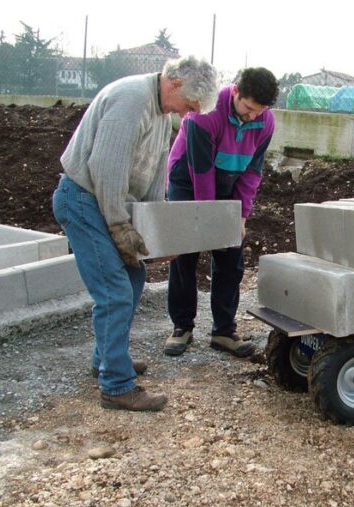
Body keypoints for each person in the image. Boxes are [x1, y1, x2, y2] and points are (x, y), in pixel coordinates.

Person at [52, 57, 218, 411]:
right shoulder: (131, 99)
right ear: (174, 83)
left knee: (133, 279)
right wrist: (118, 225)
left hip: (106, 204)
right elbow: (105, 168)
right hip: (85, 201)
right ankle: (116, 385)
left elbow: (155, 178)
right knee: (114, 292)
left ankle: (106, 361)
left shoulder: (161, 114)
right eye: (190, 105)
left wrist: (156, 233)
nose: (189, 113)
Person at [164, 67, 279, 358]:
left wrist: (240, 217)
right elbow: (201, 173)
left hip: (229, 179)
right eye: (249, 108)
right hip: (188, 180)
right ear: (236, 91)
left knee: (231, 256)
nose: (253, 116)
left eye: (260, 110)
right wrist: (207, 223)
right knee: (184, 254)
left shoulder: (265, 121)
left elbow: (253, 171)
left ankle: (224, 331)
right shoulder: (206, 114)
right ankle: (182, 326)